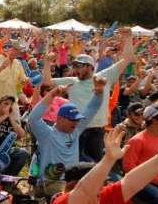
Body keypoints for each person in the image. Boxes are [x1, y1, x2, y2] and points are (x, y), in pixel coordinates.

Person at [43, 28, 136, 162]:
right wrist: (47, 63)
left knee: (94, 163)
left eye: (79, 65)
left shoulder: (105, 76)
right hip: (75, 129)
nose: (75, 69)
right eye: (74, 65)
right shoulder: (72, 81)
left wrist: (128, 38)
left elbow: (127, 58)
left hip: (96, 131)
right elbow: (47, 82)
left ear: (90, 67)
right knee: (74, 163)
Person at [29, 79, 105, 195]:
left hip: (71, 182)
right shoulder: (46, 134)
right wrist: (52, 94)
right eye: (72, 119)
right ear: (59, 118)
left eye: (77, 119)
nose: (75, 122)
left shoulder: (75, 130)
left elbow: (91, 109)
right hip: (50, 183)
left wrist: (99, 93)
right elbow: (33, 118)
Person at [0, 95, 29, 176]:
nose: (8, 106)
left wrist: (10, 117)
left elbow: (22, 134)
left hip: (7, 149)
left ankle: (8, 177)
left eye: (10, 105)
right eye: (6, 103)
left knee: (23, 153)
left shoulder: (11, 119)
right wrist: (4, 116)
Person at [0, 41, 26, 119]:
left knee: (16, 125)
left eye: (19, 50)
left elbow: (21, 81)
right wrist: (1, 68)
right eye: (16, 50)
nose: (19, 52)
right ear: (7, 49)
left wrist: (24, 82)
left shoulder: (17, 63)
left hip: (12, 105)